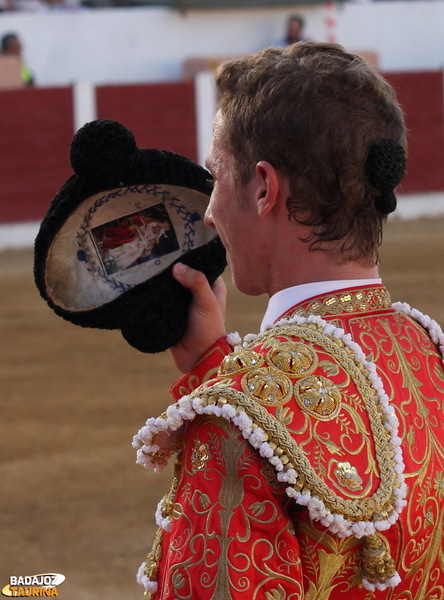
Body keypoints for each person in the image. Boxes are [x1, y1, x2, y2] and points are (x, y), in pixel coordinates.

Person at [133, 42, 444, 599]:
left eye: (216, 176)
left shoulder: (233, 424)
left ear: (264, 188)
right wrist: (214, 366)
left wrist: (230, 391)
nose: (208, 210)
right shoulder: (429, 353)